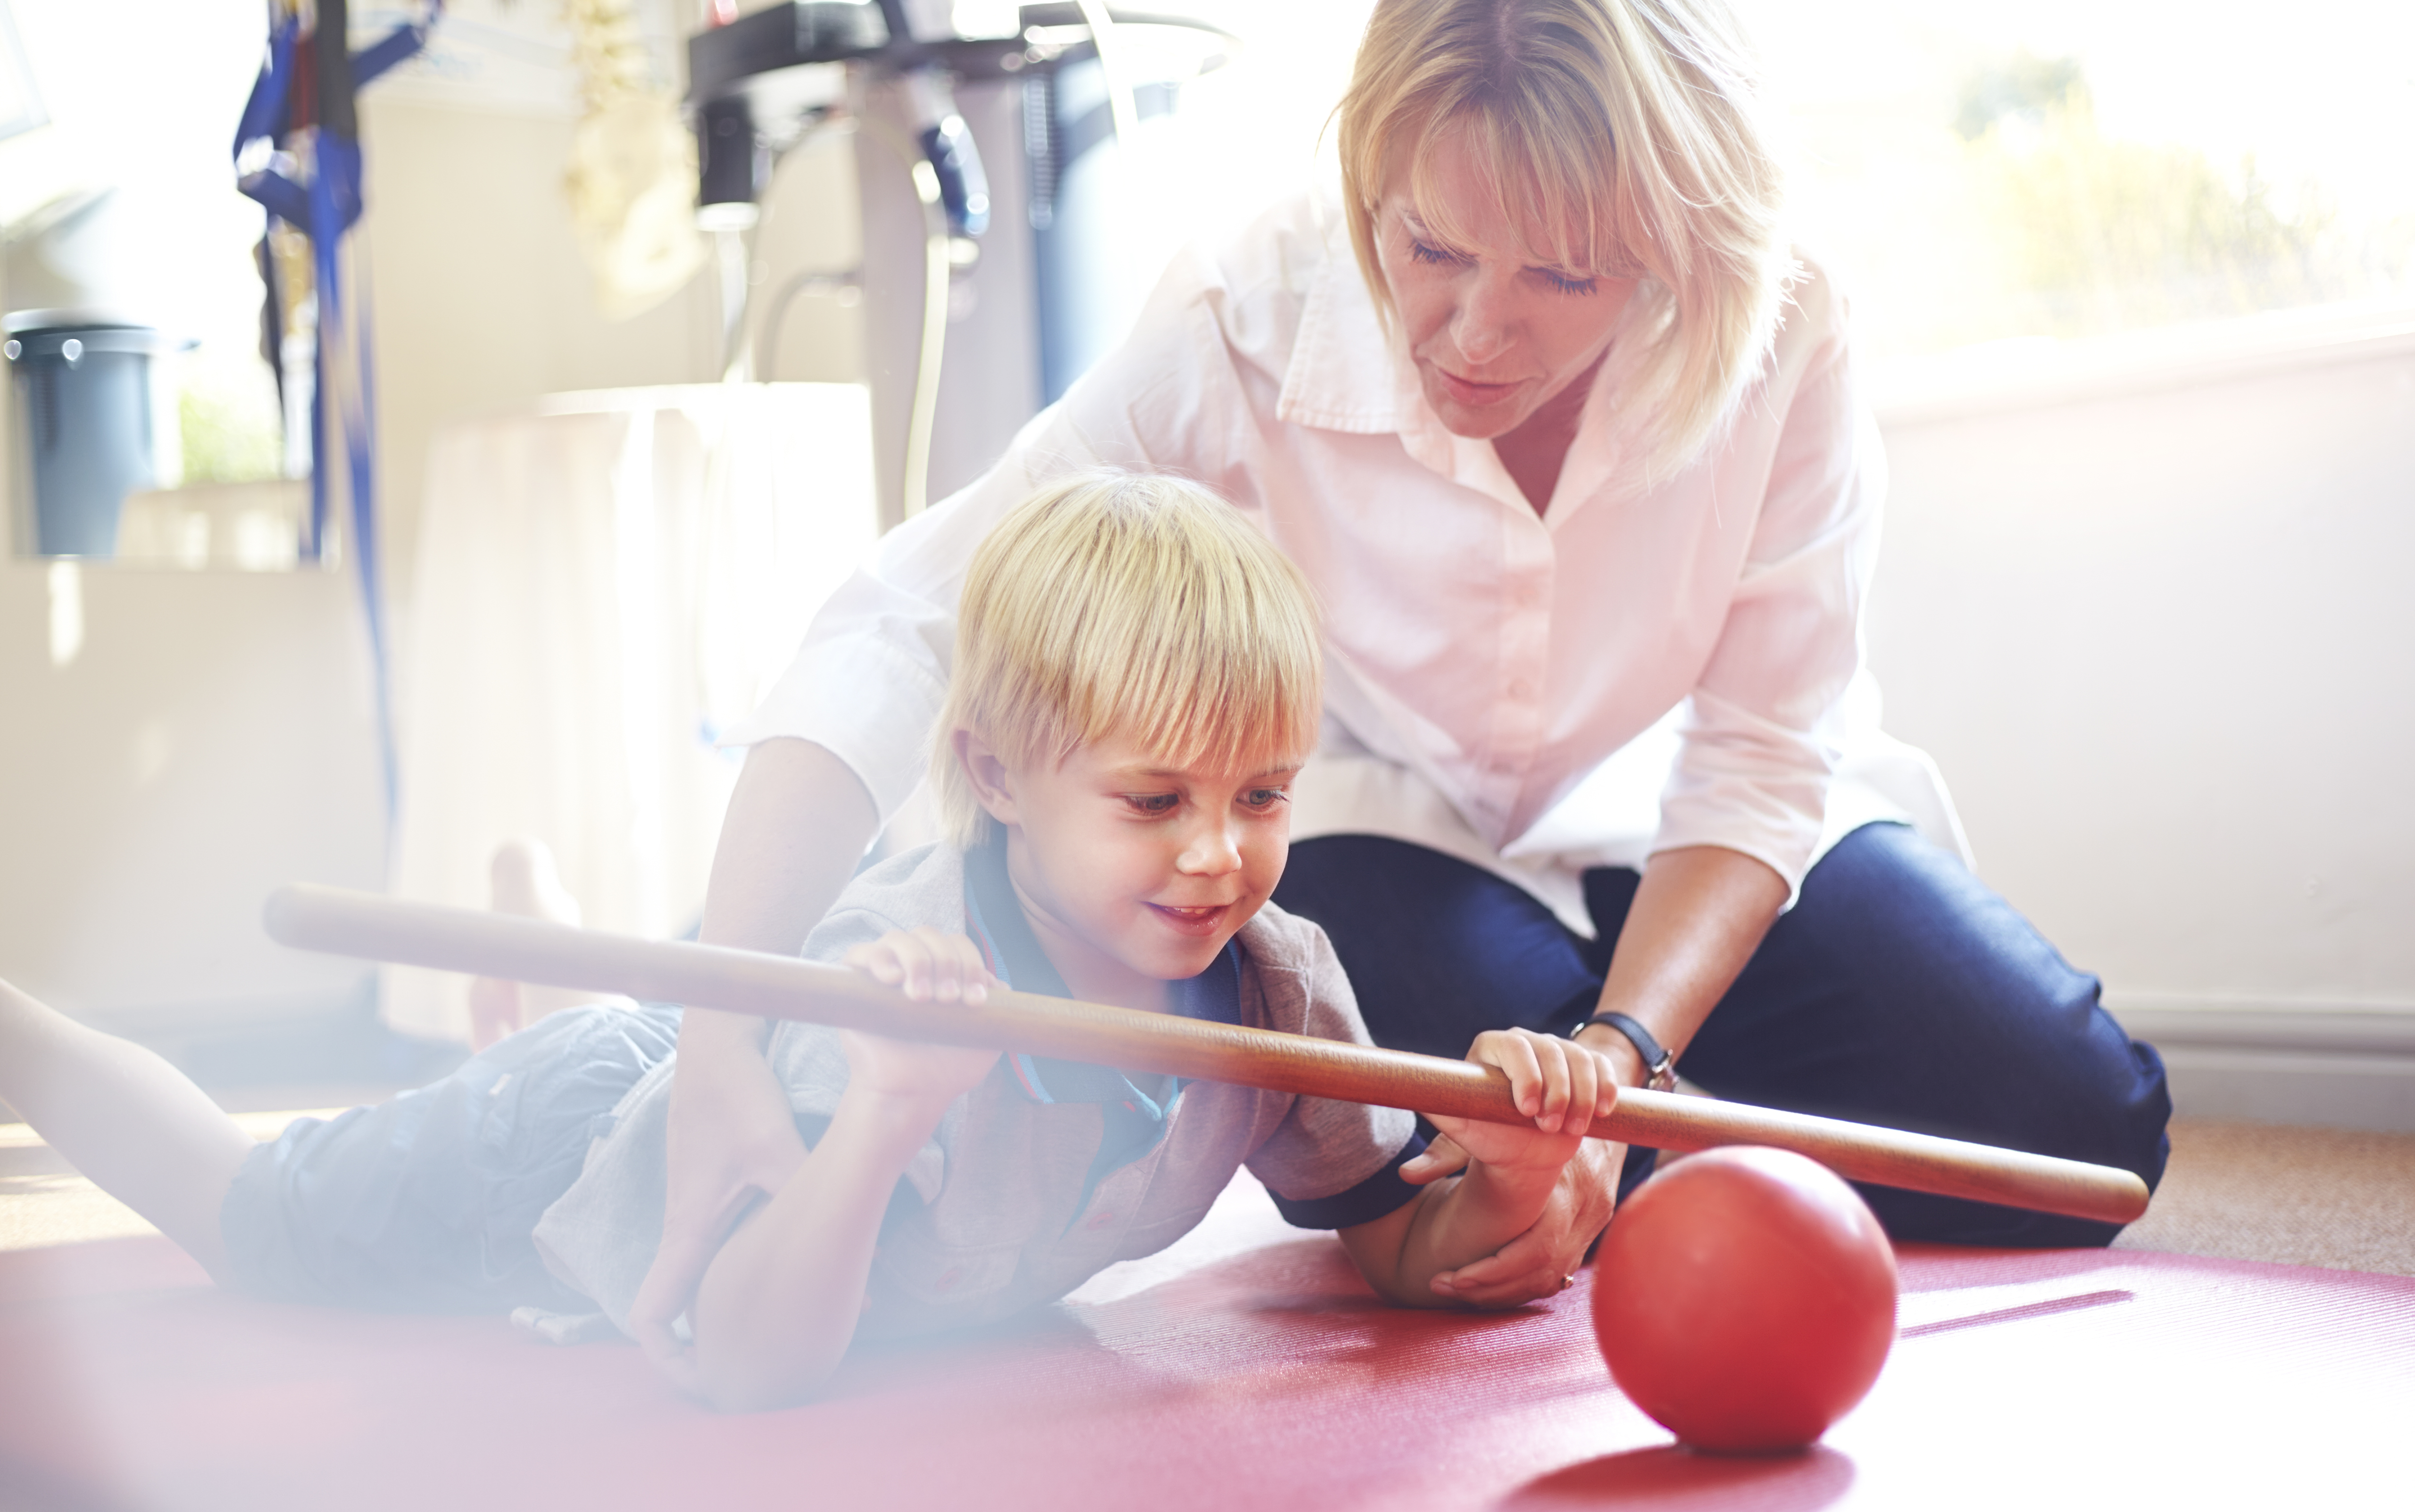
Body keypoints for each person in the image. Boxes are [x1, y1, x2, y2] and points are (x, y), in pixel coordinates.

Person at [634, 0, 2173, 1375]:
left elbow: (1763, 751)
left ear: (1674, 240)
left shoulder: (1782, 317)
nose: (1479, 331)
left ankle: (1638, 1123)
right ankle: (1609, 1133)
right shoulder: (1248, 304)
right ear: (1372, 172)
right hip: (1389, 838)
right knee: (1472, 1140)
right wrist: (721, 1032)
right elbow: (908, 620)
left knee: (2079, 1123)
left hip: (1684, 817)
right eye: (1430, 249)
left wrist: (1621, 1067)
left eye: (1566, 272)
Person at [0, 473, 1631, 1412]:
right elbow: (749, 1366)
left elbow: (1389, 1246)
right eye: (1153, 800)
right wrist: (885, 1117)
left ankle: (542, 959)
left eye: (1262, 794)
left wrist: (1506, 1178)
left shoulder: (1275, 981)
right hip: (569, 1149)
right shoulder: (886, 979)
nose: (1220, 854)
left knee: (610, 1047)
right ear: (996, 775)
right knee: (251, 1218)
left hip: (693, 1067)